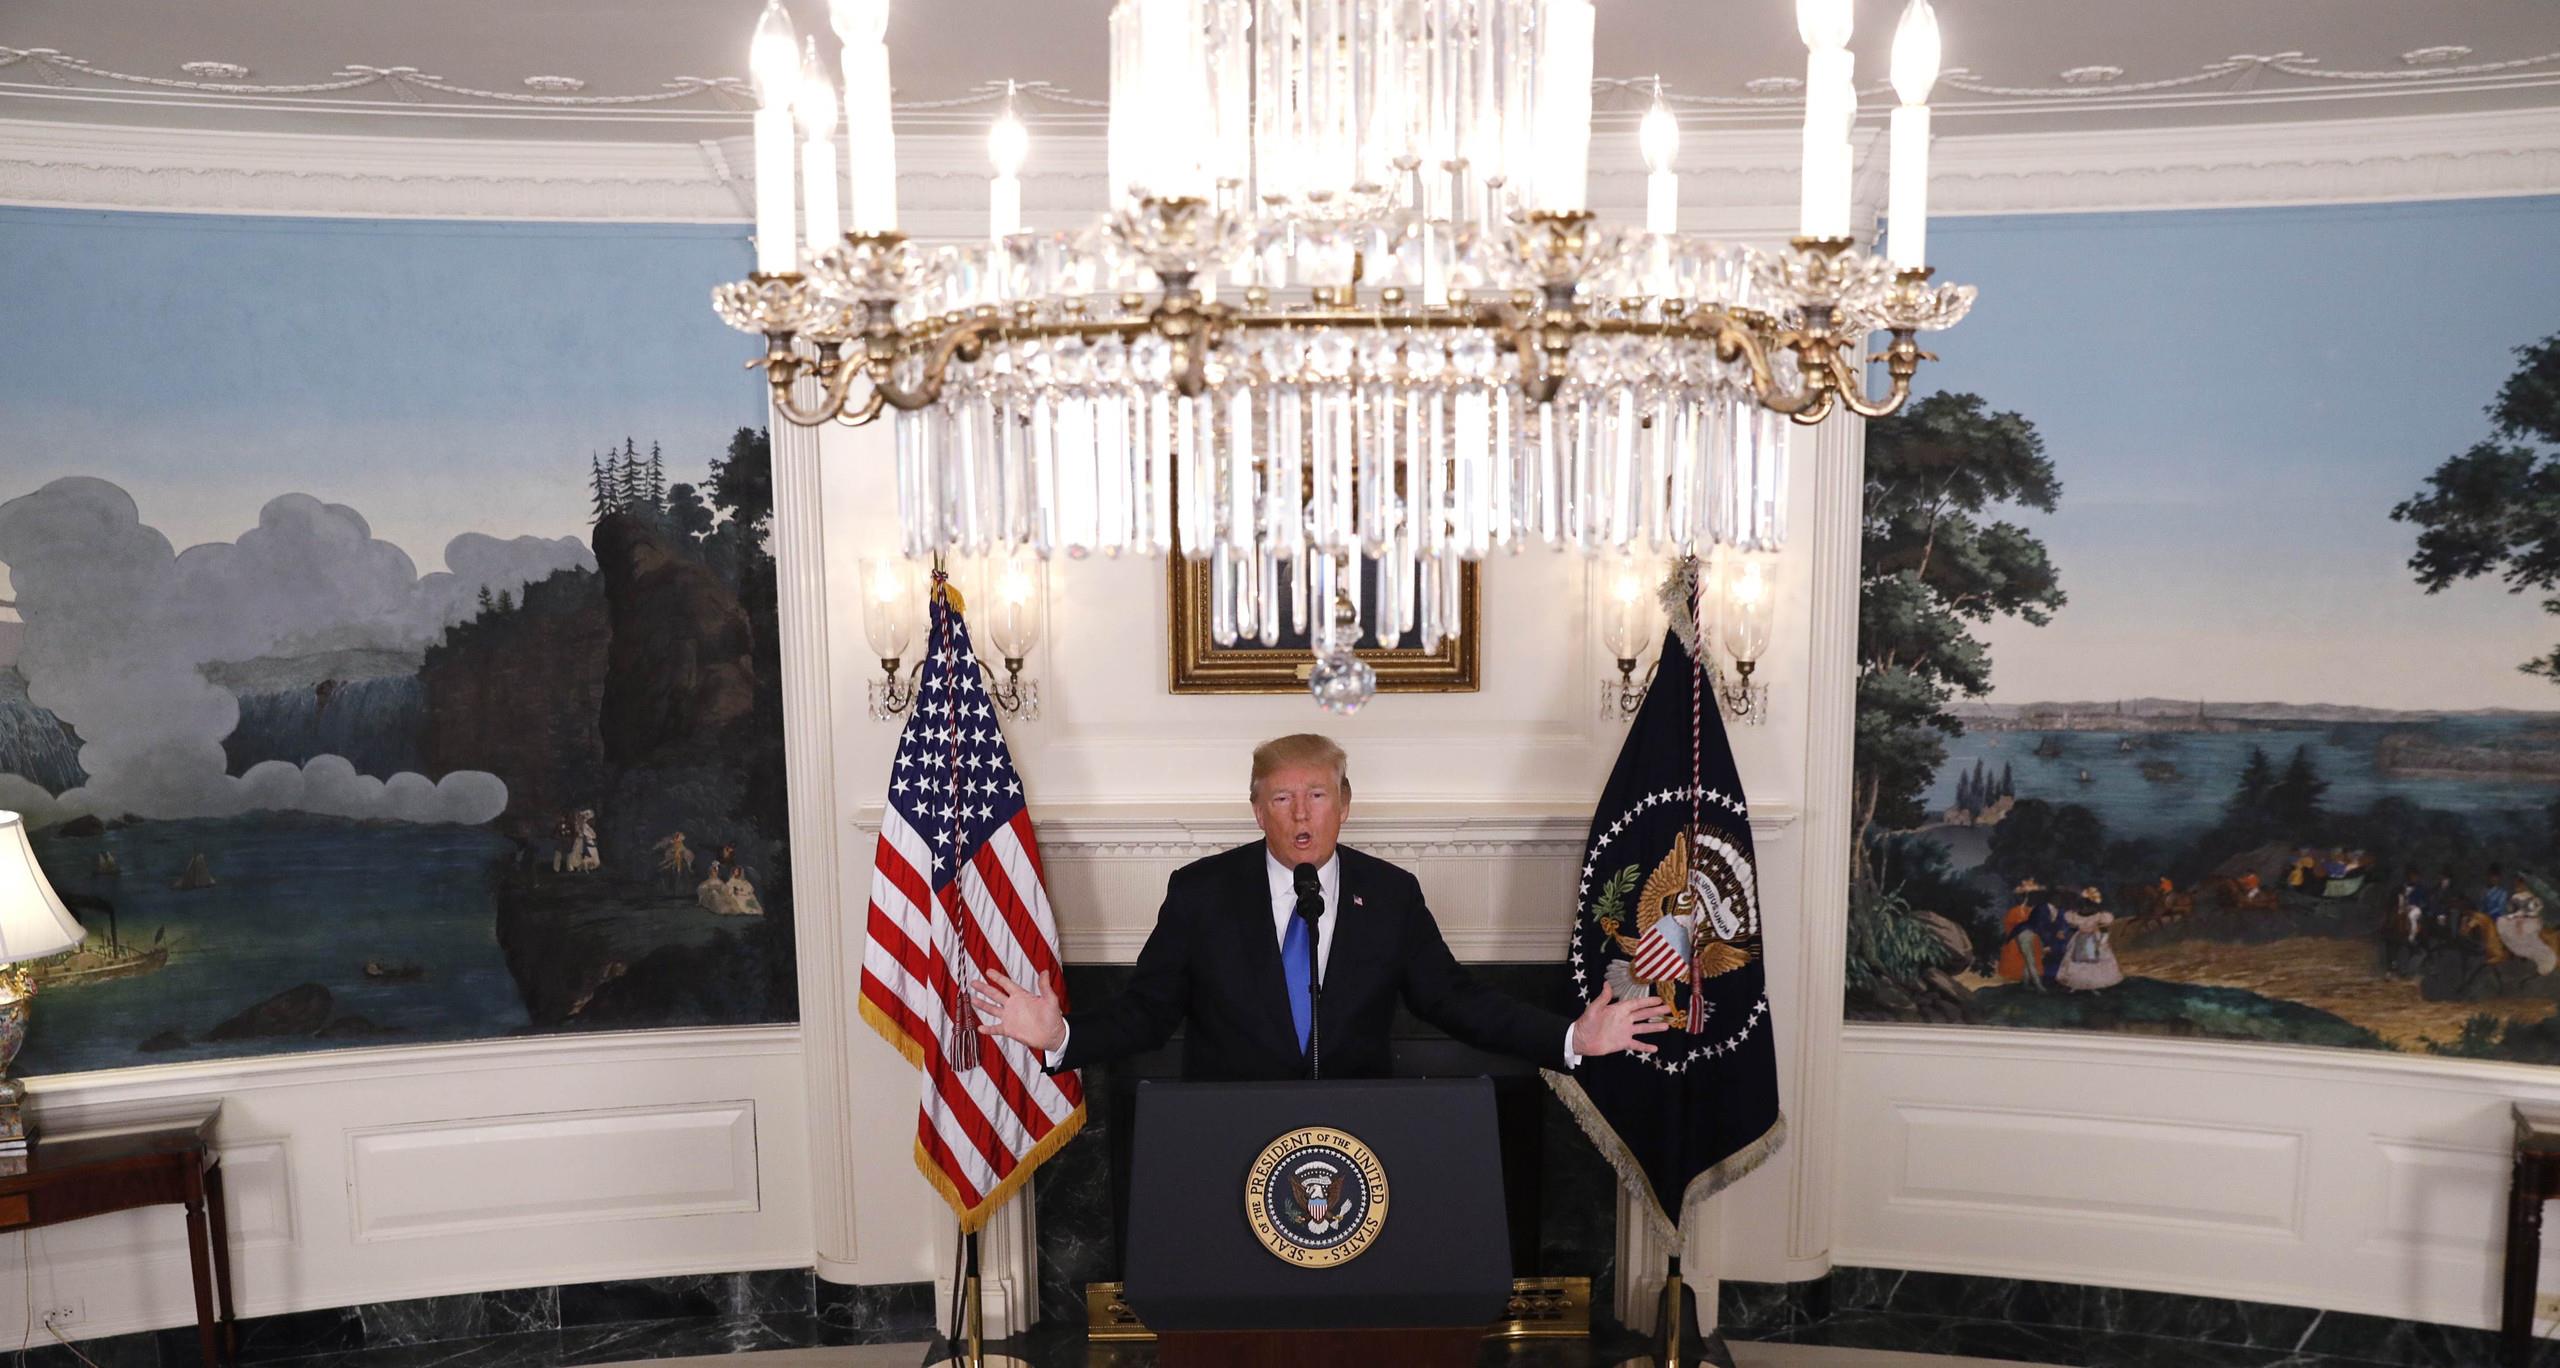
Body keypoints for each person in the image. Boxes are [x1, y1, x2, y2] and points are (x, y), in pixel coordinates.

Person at [971, 733, 1670, 1081]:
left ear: (1345, 805)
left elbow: (1455, 1000)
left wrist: (1570, 1039)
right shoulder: (1202, 893)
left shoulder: (1390, 895)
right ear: (1255, 809)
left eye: (1317, 796)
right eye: (1281, 798)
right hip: (1228, 1141)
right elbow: (1146, 1013)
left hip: (1357, 1137)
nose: (1301, 814)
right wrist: (1063, 1036)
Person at [2055, 887, 2122, 992]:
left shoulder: (2093, 915)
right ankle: (2078, 985)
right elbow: (2073, 925)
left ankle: (2089, 986)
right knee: (2082, 962)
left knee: (2087, 962)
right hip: (2086, 939)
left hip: (2089, 939)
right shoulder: (2089, 915)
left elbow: (2104, 924)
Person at [2501, 871, 2556, 976]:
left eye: (2518, 883)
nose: (2517, 885)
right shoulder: (2516, 894)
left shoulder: (2529, 892)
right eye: (2516, 883)